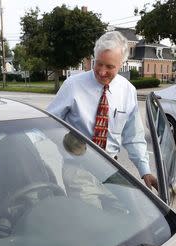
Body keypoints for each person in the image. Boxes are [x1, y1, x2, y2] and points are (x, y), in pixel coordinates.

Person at [47, 31, 158, 190]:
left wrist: (145, 171)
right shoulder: (72, 86)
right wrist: (66, 141)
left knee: (129, 210)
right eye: (98, 63)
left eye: (110, 66)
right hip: (78, 167)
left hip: (111, 167)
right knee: (93, 213)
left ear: (122, 64)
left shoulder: (127, 91)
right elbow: (49, 123)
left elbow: (133, 136)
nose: (102, 71)